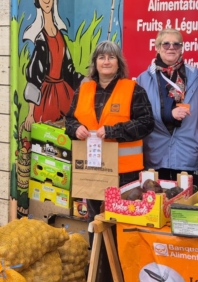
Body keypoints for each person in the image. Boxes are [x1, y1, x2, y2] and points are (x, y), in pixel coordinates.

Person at [65, 41, 155, 220]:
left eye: (111, 57)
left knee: (121, 219)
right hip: (92, 168)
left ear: (118, 63)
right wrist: (76, 129)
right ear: (95, 63)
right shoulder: (83, 89)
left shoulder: (134, 90)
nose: (106, 62)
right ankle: (95, 241)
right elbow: (69, 120)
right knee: (95, 218)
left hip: (124, 172)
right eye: (101, 57)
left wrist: (115, 131)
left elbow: (147, 123)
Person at [137, 28, 198, 181]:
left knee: (184, 195)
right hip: (155, 149)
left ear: (181, 48)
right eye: (166, 44)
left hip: (186, 149)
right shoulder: (143, 79)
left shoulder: (197, 77)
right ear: (157, 48)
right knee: (157, 194)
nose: (171, 48)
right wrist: (168, 113)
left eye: (176, 44)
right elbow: (140, 114)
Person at [22, 0, 84, 131]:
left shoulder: (60, 34)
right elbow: (34, 75)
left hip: (64, 93)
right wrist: (30, 114)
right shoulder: (39, 37)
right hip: (46, 99)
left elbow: (69, 70)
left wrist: (89, 80)